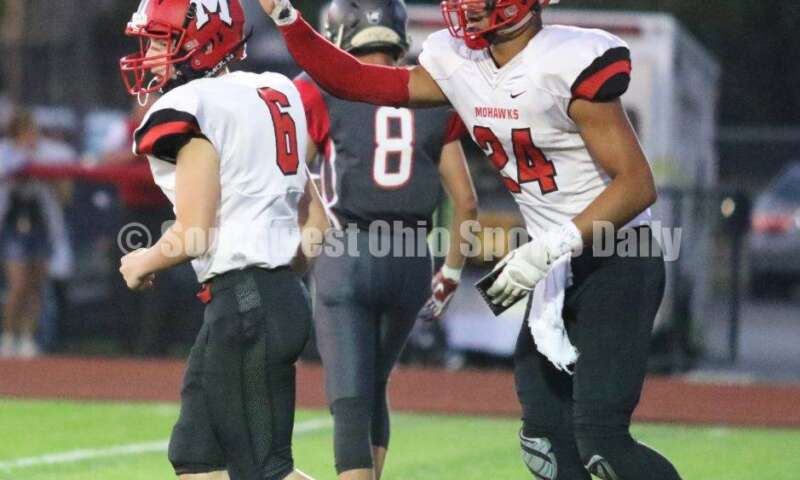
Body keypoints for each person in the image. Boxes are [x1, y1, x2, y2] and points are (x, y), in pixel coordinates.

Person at [258, 0, 682, 478]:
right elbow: (356, 81)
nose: (470, 7)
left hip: (617, 255)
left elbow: (636, 184)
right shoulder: (459, 62)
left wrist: (548, 247)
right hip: (556, 263)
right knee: (546, 441)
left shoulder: (569, 60)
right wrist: (290, 22)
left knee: (602, 443)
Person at [117, 0, 323, 478]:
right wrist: (279, 284)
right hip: (267, 297)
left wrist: (141, 262)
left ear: (203, 41)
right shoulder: (277, 90)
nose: (148, 55)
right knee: (195, 456)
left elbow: (193, 233)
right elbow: (318, 224)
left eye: (159, 42)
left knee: (267, 471)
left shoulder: (191, 107)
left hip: (245, 299)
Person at [294, 1, 477, 478]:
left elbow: (292, 174)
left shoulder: (321, 88)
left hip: (348, 251)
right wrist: (452, 271)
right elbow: (467, 202)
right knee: (375, 384)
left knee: (350, 396)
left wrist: (305, 239)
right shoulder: (432, 89)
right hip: (413, 260)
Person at [0, 110, 76, 358]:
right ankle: (9, 336)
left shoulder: (49, 153)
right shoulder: (5, 153)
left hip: (41, 225)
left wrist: (47, 174)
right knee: (18, 285)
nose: (30, 137)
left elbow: (65, 192)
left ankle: (27, 338)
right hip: (13, 224)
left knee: (36, 286)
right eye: (25, 132)